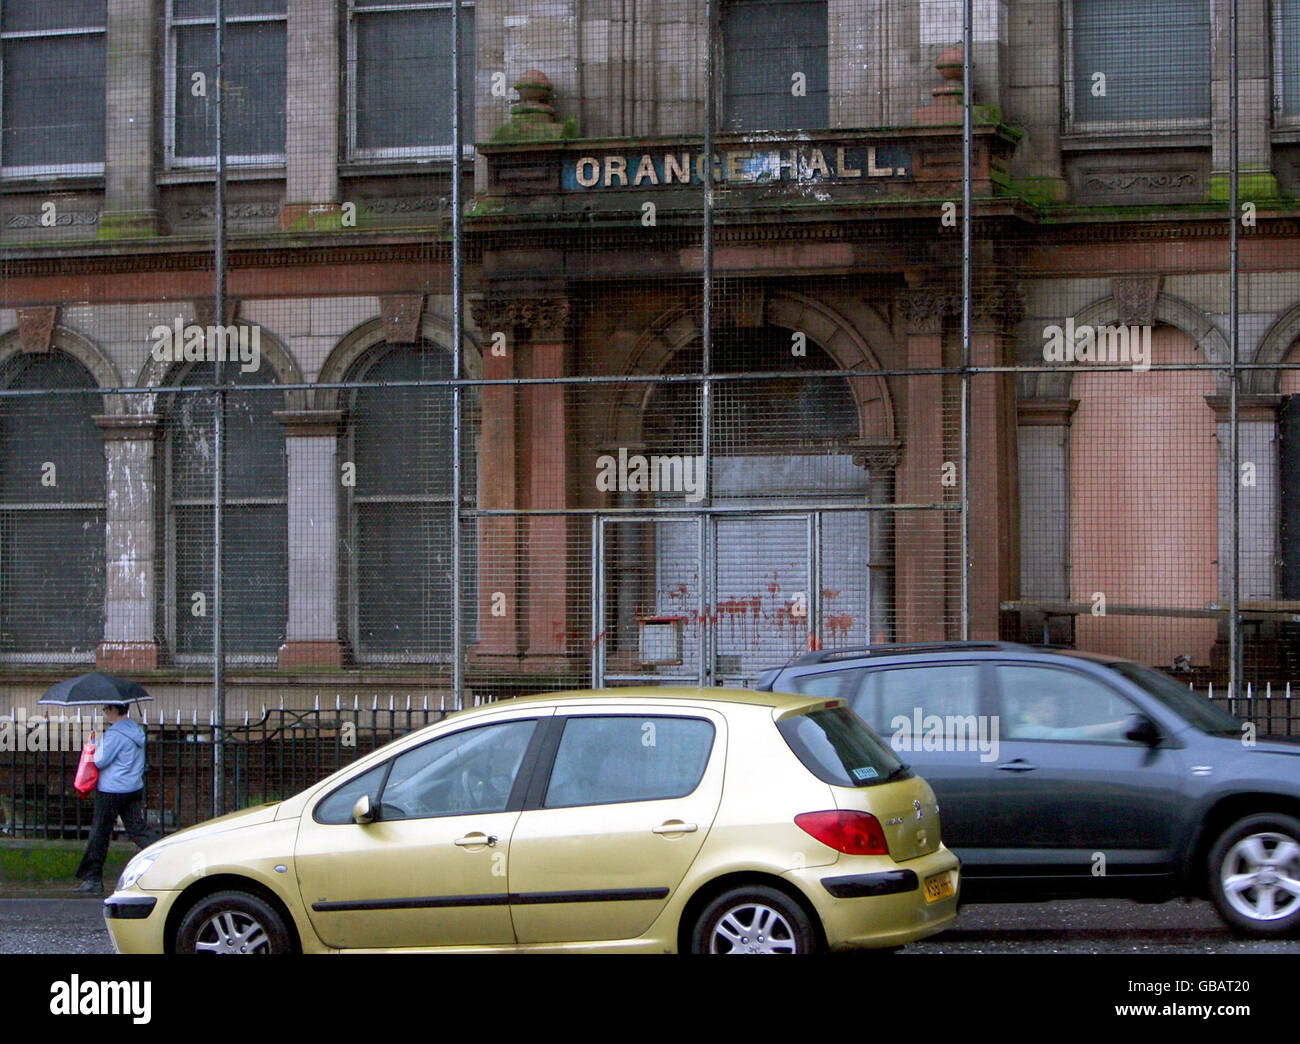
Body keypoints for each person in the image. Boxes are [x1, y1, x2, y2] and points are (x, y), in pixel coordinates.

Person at [72, 703, 158, 895]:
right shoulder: (136, 730)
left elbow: (100, 760)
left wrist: (95, 746)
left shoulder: (115, 734)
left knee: (100, 834)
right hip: (133, 787)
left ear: (113, 710)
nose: (105, 714)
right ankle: (164, 855)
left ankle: (93, 879)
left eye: (106, 710)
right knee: (138, 830)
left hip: (111, 790)